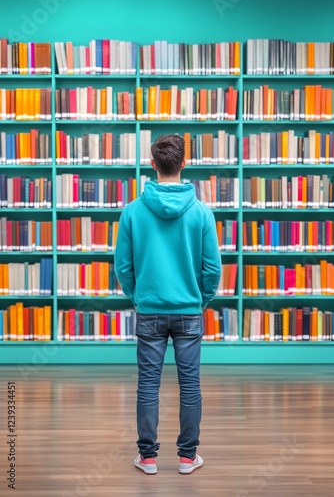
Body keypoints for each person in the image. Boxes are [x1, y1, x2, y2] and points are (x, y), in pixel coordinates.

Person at [115, 134, 221, 475]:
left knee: (148, 384)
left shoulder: (132, 211)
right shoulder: (202, 213)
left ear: (152, 164)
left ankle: (147, 457)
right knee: (190, 385)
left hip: (149, 310)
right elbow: (212, 269)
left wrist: (140, 296)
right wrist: (200, 300)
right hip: (189, 311)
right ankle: (188, 457)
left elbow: (124, 267)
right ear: (184, 164)